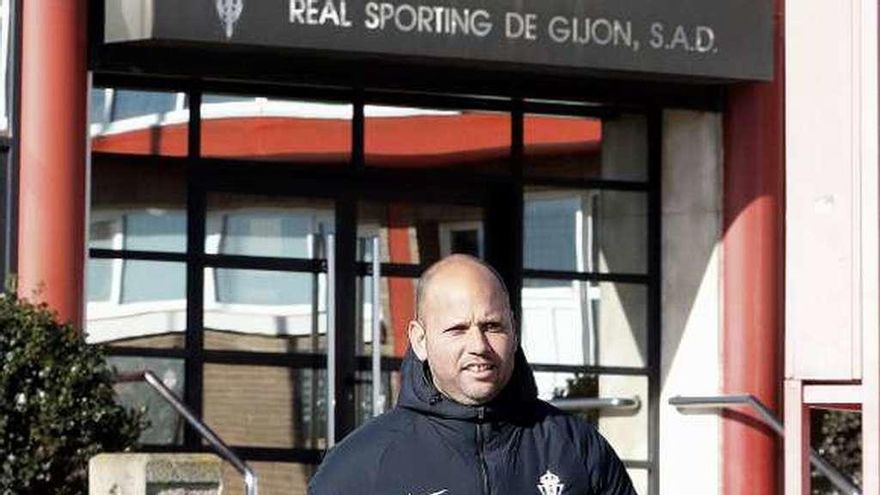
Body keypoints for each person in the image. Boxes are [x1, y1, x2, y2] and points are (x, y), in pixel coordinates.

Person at [309, 254, 636, 495]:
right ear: (420, 340)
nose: (478, 345)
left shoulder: (575, 449)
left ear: (514, 330)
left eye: (492, 326)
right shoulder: (363, 465)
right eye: (457, 329)